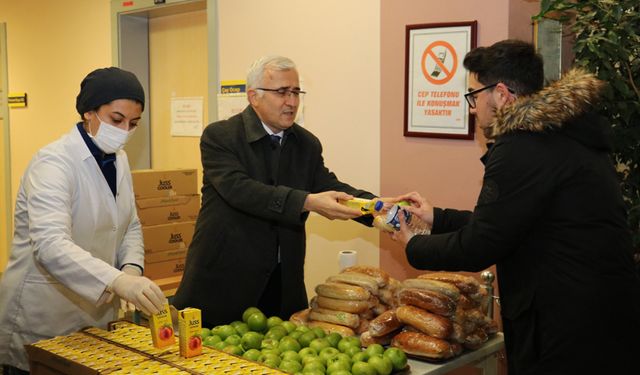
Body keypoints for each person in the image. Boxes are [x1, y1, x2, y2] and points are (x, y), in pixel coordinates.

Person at [392, 40, 640, 374]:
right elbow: (511, 223)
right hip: (600, 317)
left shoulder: (522, 146)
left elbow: (482, 244)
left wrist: (413, 244)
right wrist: (436, 218)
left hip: (566, 325)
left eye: (474, 95)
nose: (473, 108)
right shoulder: (560, 133)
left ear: (502, 94)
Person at [173, 56, 376, 327]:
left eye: (295, 92)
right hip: (224, 282)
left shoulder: (306, 144)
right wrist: (307, 202)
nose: (291, 101)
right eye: (282, 92)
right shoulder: (220, 137)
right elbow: (241, 190)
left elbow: (329, 186)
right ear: (254, 96)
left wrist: (378, 208)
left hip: (282, 285)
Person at [0, 67, 166, 374]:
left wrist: (130, 268)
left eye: (134, 123)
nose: (125, 130)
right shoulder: (53, 163)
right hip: (44, 315)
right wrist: (117, 281)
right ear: (89, 112)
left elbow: (128, 223)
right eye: (117, 120)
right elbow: (50, 244)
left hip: (96, 316)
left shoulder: (119, 158)